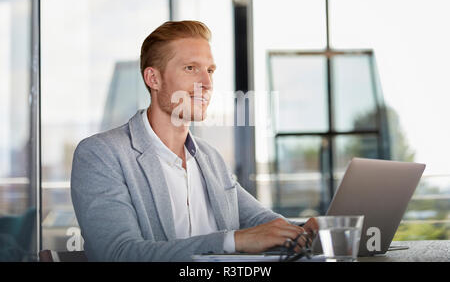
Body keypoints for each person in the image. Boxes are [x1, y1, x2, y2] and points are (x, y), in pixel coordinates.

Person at [71, 20, 318, 261]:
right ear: (153, 79)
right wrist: (232, 241)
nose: (207, 84)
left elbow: (260, 224)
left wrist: (309, 230)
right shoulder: (100, 154)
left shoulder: (210, 158)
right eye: (191, 68)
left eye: (210, 71)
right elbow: (117, 255)